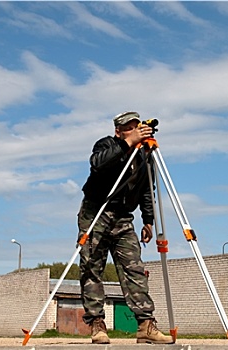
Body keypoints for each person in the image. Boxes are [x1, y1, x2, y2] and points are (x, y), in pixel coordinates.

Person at [77, 111, 174, 344]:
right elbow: (97, 164)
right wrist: (128, 143)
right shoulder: (106, 145)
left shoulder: (144, 156)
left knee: (135, 269)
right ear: (118, 131)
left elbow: (146, 189)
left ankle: (145, 325)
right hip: (96, 212)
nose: (135, 131)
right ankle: (97, 324)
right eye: (129, 128)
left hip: (123, 217)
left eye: (137, 127)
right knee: (92, 267)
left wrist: (148, 220)